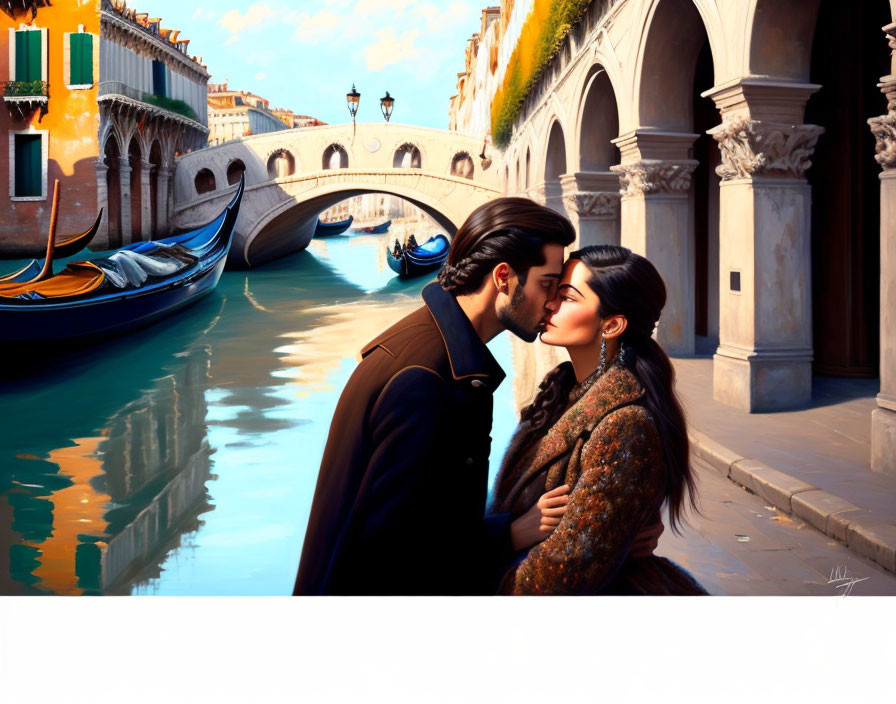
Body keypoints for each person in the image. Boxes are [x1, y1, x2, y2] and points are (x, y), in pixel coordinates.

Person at [294, 197, 576, 595]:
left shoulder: (435, 347)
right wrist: (510, 534)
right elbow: (394, 557)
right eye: (547, 284)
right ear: (503, 277)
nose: (552, 302)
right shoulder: (425, 382)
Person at [490, 245, 707, 595]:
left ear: (611, 325)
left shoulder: (626, 427)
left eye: (567, 297)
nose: (549, 304)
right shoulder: (558, 392)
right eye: (553, 292)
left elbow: (556, 581)